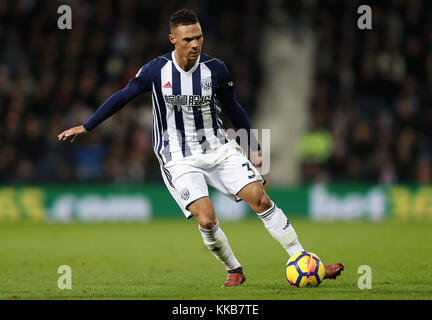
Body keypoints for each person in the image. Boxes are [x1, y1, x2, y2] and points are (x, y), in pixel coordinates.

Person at [58, 8, 343, 287]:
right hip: (177, 156)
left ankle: (305, 261)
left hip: (218, 148)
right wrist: (88, 125)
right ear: (173, 39)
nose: (194, 44)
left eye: (198, 37)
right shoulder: (156, 71)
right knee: (206, 219)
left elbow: (233, 107)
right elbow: (123, 97)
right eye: (187, 39)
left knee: (261, 199)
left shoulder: (215, 69)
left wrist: (254, 146)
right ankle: (234, 269)